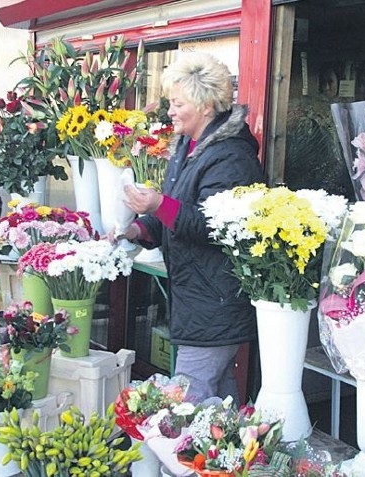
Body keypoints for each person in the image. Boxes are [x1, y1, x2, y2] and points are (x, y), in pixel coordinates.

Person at [118, 53, 263, 404]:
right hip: (198, 299)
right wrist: (137, 229)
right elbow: (175, 210)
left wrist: (157, 205)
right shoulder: (189, 147)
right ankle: (227, 457)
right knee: (219, 397)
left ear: (205, 106)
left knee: (186, 399)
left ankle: (181, 460)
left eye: (177, 103)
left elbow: (213, 226)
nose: (169, 111)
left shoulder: (230, 157)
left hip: (215, 300)